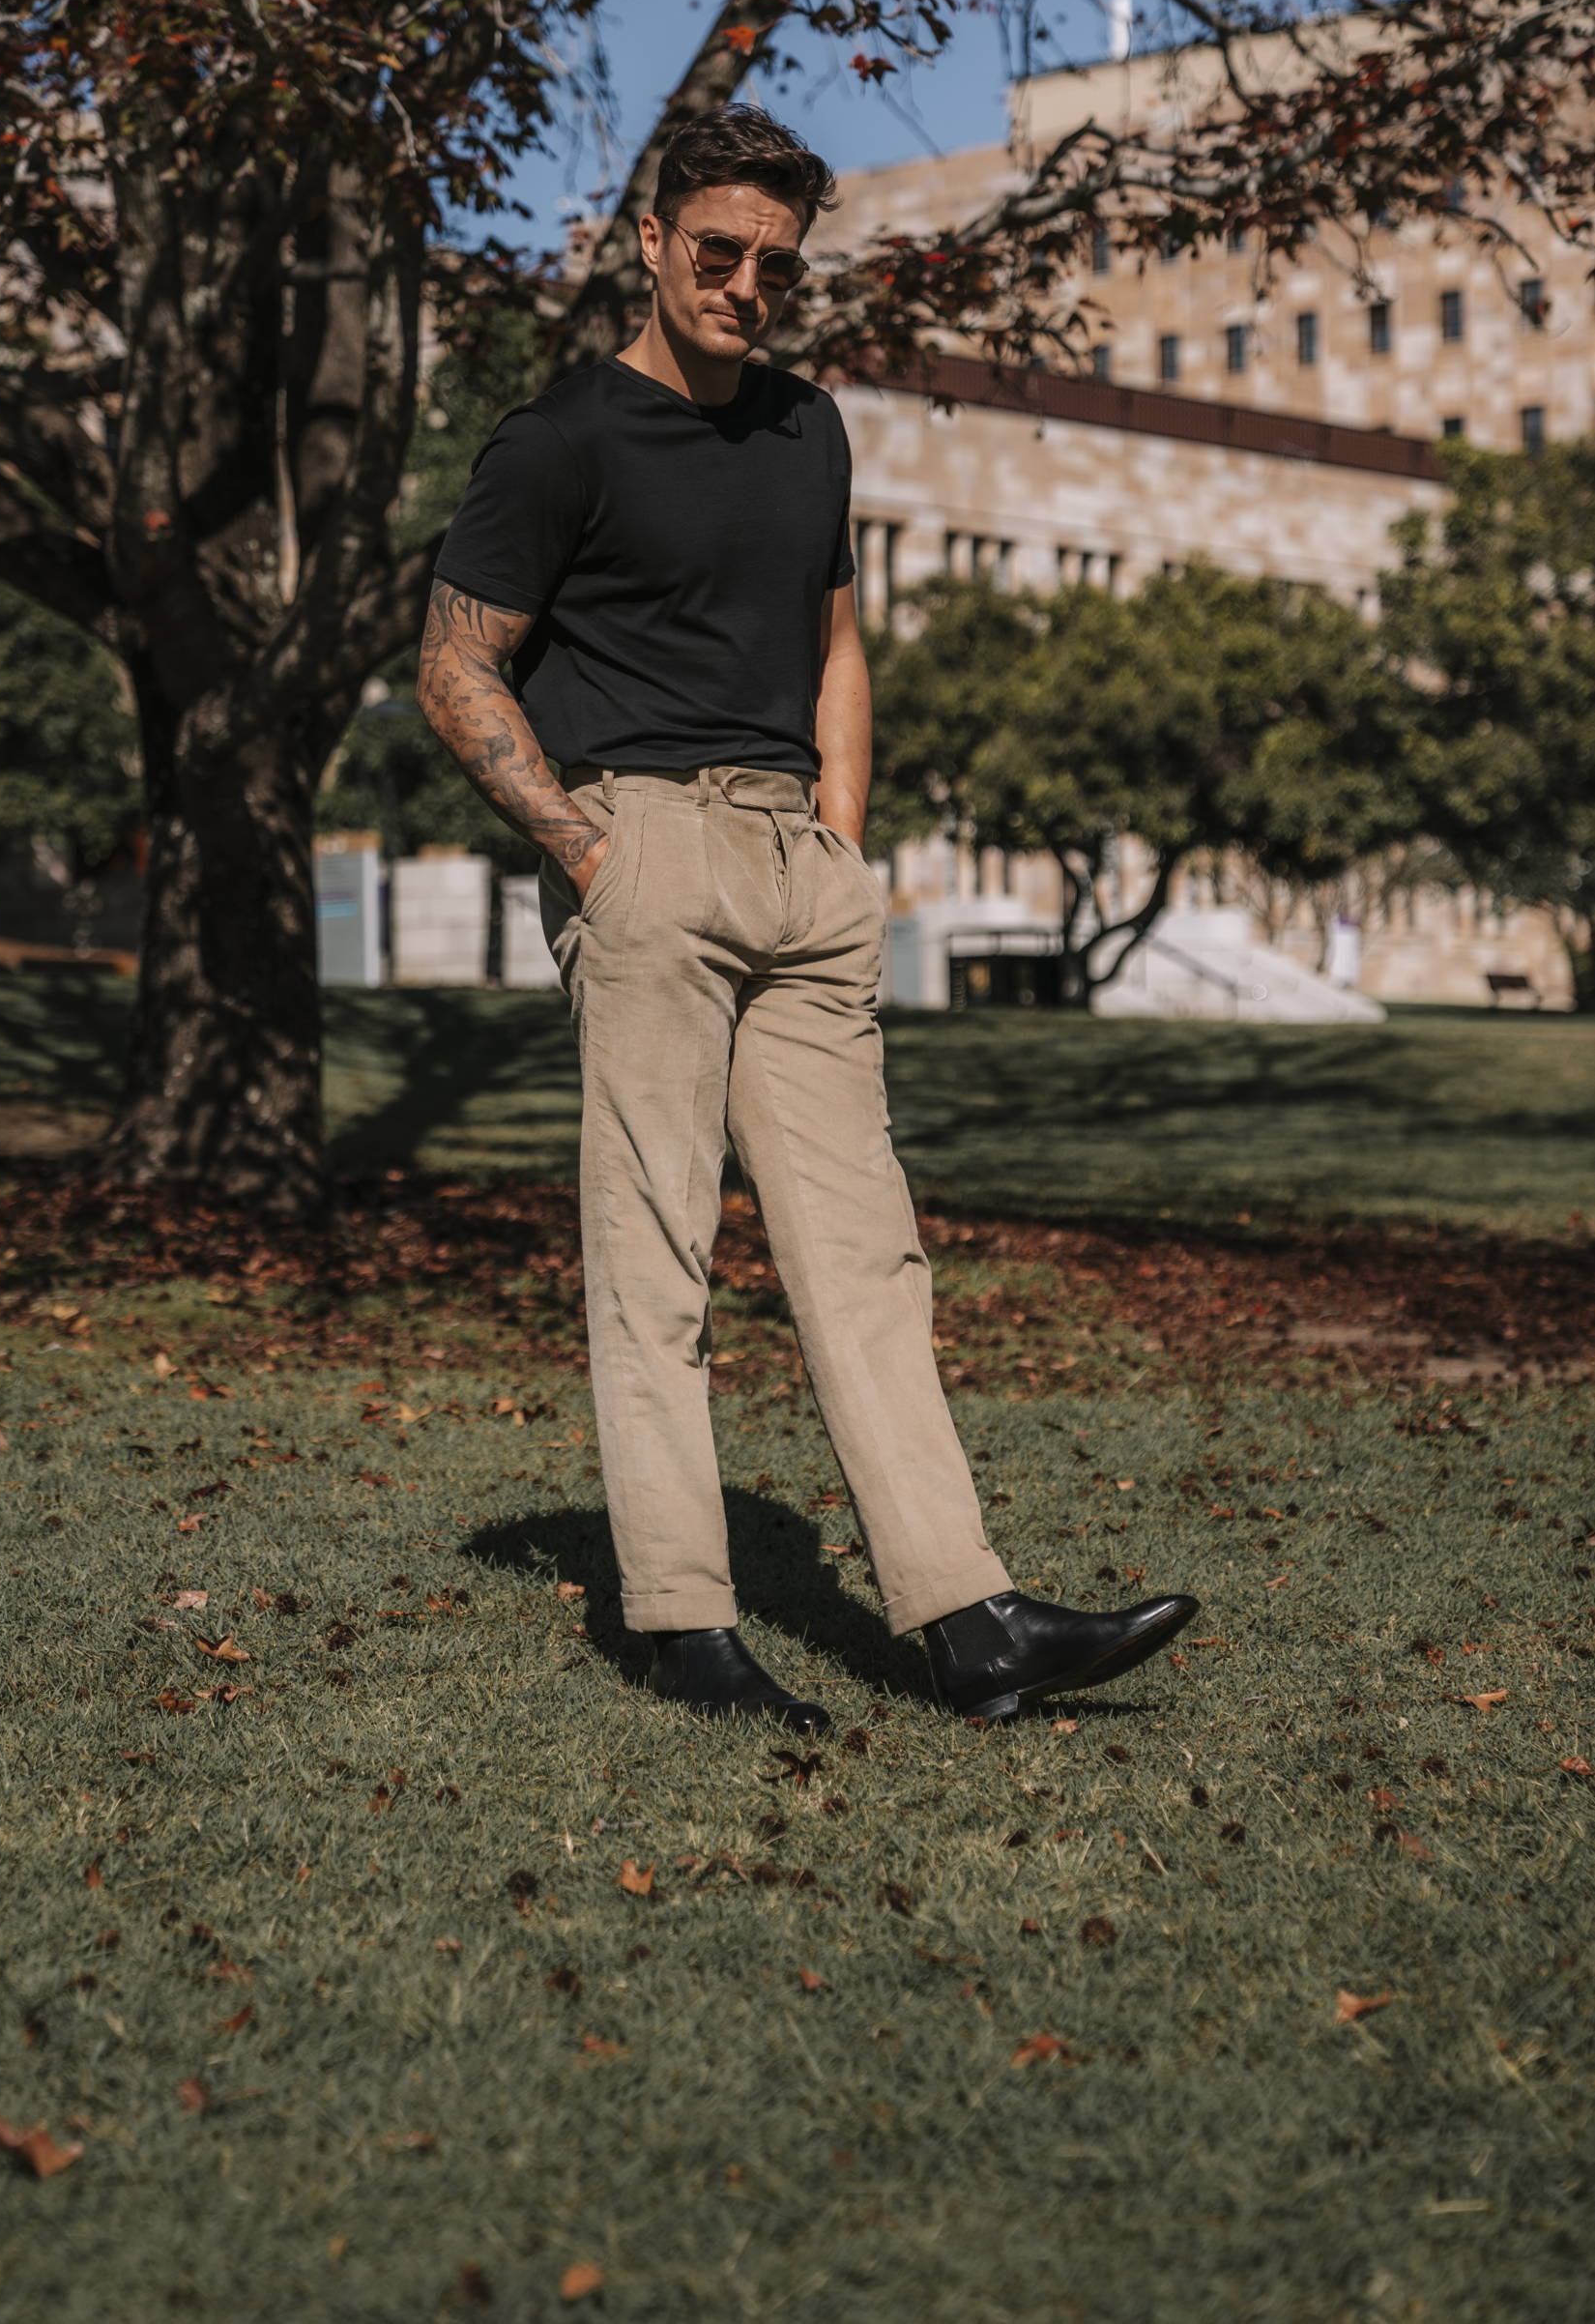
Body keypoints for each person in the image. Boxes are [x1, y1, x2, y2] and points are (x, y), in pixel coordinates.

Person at [418, 105, 1197, 1731]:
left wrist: (843, 840)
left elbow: (836, 642)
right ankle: (687, 1621)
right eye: (718, 251)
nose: (746, 284)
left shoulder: (807, 431)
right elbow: (454, 667)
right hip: (644, 852)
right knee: (658, 1261)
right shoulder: (557, 439)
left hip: (797, 864)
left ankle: (965, 1621)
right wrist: (584, 847)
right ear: (648, 242)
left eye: (776, 261)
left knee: (865, 1254)